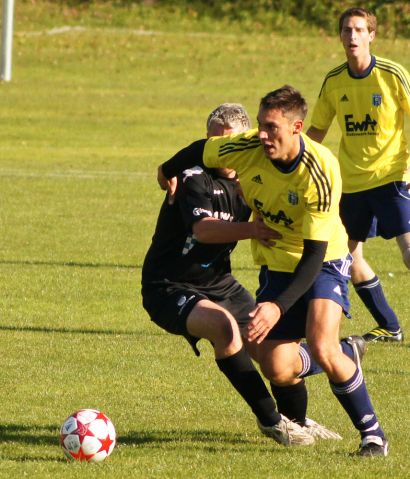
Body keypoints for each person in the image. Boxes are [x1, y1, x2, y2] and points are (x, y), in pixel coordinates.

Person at [158, 86, 388, 456]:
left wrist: (277, 306)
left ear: (297, 126)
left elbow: (314, 254)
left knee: (321, 344)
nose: (263, 135)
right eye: (261, 125)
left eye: (272, 128)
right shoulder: (246, 146)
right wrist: (166, 170)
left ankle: (373, 435)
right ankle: (349, 353)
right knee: (277, 367)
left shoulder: (321, 170)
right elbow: (199, 150)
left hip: (324, 259)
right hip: (276, 262)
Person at [306, 7, 409, 343]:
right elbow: (317, 130)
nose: (352, 37)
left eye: (359, 30)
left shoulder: (392, 75)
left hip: (393, 176)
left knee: (408, 251)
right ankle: (390, 326)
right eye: (347, 31)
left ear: (371, 35)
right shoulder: (335, 81)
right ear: (340, 36)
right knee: (345, 258)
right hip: (351, 184)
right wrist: (295, 165)